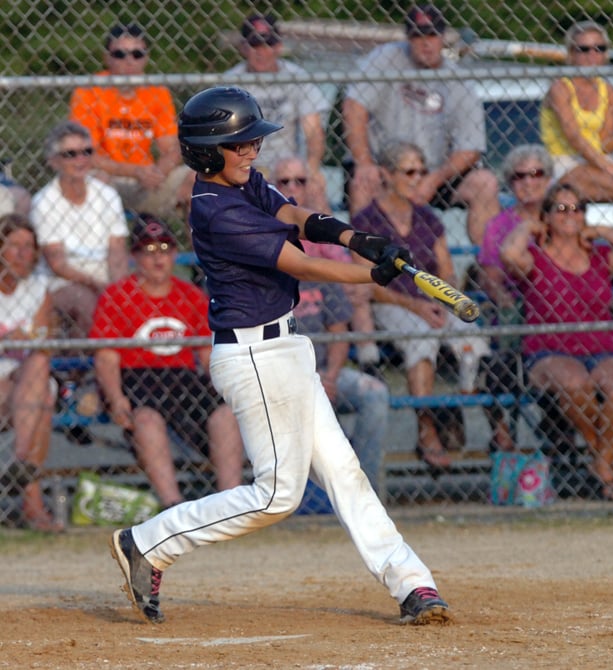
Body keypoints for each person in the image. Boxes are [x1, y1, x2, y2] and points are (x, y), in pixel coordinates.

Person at [109, 86, 452, 626]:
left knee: (343, 470)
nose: (252, 151)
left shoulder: (243, 184)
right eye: (240, 143)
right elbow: (303, 264)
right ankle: (149, 541)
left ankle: (412, 583)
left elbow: (296, 215)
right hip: (254, 358)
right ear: (206, 151)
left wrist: (360, 239)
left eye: (252, 141)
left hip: (288, 347)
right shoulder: (215, 208)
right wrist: (374, 273)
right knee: (275, 496)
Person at [500, 182, 613, 500]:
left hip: (602, 347)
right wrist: (528, 226)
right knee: (575, 383)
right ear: (548, 217)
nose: (571, 215)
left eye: (577, 209)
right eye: (561, 209)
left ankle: (601, 462)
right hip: (548, 350)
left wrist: (602, 230)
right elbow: (507, 253)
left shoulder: (599, 255)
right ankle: (607, 460)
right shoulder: (535, 257)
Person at [351, 140, 490, 469]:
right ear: (386, 174)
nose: (417, 179)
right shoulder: (366, 221)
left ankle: (456, 411)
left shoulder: (428, 217)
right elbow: (367, 281)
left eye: (422, 172)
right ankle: (426, 428)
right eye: (409, 171)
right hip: (391, 301)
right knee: (421, 337)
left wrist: (443, 299)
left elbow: (447, 272)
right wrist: (417, 307)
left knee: (473, 335)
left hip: (431, 301)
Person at [90, 214, 243, 509]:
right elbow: (106, 357)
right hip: (136, 376)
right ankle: (173, 505)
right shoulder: (117, 296)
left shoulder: (192, 296)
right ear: (135, 257)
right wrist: (115, 397)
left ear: (175, 254)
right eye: (148, 251)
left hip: (182, 376)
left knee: (225, 416)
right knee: (147, 420)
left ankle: (230, 504)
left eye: (164, 250)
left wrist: (226, 388)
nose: (157, 259)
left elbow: (207, 355)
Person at [342, 4, 500, 246]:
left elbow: (471, 148)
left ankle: (490, 270)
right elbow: (354, 108)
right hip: (385, 169)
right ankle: (366, 266)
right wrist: (364, 163)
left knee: (485, 183)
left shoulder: (459, 81)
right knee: (363, 182)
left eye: (432, 35)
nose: (426, 43)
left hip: (434, 172)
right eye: (418, 35)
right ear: (408, 38)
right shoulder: (386, 58)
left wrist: (434, 180)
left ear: (443, 37)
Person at [69, 22, 194, 221]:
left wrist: (159, 172)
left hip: (148, 179)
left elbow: (171, 147)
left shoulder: (156, 91)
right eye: (120, 54)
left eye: (137, 54)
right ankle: (104, 250)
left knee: (196, 179)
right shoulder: (89, 90)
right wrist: (135, 171)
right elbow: (86, 155)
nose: (129, 60)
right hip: (108, 177)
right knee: (94, 181)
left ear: (146, 57)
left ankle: (205, 252)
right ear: (106, 57)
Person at [271, 155, 382, 376]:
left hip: (325, 285)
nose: (293, 187)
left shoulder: (316, 220)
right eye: (285, 182)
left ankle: (369, 362)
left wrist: (348, 283)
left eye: (300, 181)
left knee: (357, 289)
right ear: (274, 187)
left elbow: (338, 257)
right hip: (289, 284)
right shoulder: (268, 220)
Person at [477, 144, 554, 452]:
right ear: (510, 182)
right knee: (494, 365)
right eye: (519, 176)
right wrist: (501, 296)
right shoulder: (499, 225)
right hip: (518, 311)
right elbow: (490, 278)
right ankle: (502, 435)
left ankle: (558, 440)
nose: (528, 182)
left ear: (549, 179)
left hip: (556, 312)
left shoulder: (562, 217)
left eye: (536, 174)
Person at [293, 267, 389, 496]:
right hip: (287, 378)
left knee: (375, 393)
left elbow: (339, 336)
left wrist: (330, 377)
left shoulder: (317, 276)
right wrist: (310, 381)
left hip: (326, 373)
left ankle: (363, 491)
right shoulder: (262, 280)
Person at [29, 120, 129, 337]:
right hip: (62, 280)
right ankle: (86, 367)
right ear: (54, 162)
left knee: (134, 299)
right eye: (70, 154)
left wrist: (117, 288)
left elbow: (117, 252)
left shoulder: (107, 195)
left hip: (106, 275)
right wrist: (98, 285)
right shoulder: (44, 202)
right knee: (87, 303)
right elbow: (57, 264)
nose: (81, 160)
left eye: (86, 152)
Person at [540, 20, 613, 213]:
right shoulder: (561, 88)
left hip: (596, 162)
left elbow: (604, 145)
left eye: (599, 48)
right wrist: (608, 168)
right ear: (571, 54)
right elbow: (574, 138)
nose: (592, 55)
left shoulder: (608, 91)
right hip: (563, 163)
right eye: (584, 49)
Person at [223, 14, 331, 195]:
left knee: (315, 186)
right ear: (243, 48)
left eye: (268, 44)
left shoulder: (297, 77)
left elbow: (313, 131)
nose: (261, 51)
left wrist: (311, 170)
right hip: (243, 165)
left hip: (286, 168)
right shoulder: (229, 84)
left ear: (279, 46)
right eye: (255, 44)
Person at [0, 214, 59, 531]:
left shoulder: (38, 288)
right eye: (14, 246)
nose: (23, 254)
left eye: (28, 247)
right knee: (43, 405)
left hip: (26, 381)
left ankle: (19, 460)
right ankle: (32, 501)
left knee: (39, 367)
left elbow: (44, 344)